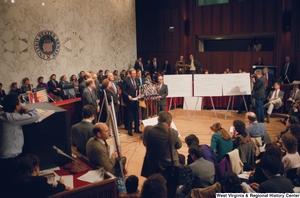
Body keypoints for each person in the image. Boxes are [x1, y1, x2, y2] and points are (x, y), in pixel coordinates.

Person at [0, 94, 39, 196]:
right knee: (13, 187)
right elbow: (35, 116)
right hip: (11, 160)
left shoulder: (3, 116)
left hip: (4, 159)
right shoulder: (12, 118)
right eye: (19, 102)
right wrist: (26, 108)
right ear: (16, 107)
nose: (21, 104)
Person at [141, 111, 182, 178]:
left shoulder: (147, 129)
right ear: (170, 123)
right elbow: (179, 145)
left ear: (158, 120)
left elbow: (145, 143)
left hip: (151, 164)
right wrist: (170, 129)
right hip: (167, 166)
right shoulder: (173, 132)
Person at [122, 68, 141, 136]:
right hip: (129, 100)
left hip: (136, 100)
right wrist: (128, 96)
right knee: (130, 116)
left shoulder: (137, 80)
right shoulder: (126, 81)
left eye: (135, 73)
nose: (134, 75)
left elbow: (139, 88)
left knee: (137, 115)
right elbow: (123, 91)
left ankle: (137, 129)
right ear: (130, 74)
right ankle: (129, 130)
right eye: (133, 74)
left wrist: (140, 94)